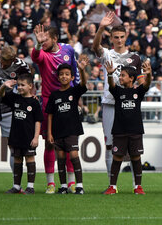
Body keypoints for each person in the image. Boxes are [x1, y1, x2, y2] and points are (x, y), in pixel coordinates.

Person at [93, 12, 143, 179]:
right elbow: (95, 47)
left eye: (122, 37)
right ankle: (111, 183)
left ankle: (137, 184)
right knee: (109, 144)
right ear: (111, 38)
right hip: (110, 103)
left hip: (128, 106)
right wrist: (100, 28)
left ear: (126, 36)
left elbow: (141, 82)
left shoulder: (135, 58)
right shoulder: (107, 54)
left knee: (131, 146)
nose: (119, 40)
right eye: (116, 37)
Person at [32, 24, 80, 194]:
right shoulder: (43, 53)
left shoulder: (68, 50)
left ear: (54, 39)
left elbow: (75, 73)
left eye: (45, 40)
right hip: (49, 102)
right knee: (50, 143)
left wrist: (77, 98)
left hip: (68, 100)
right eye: (40, 40)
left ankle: (72, 182)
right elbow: (35, 57)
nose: (42, 42)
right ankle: (51, 183)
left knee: (69, 144)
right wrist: (37, 45)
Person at [102, 59, 153, 195]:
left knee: (136, 158)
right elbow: (112, 86)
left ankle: (138, 187)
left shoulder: (138, 92)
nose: (120, 77)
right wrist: (110, 75)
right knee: (117, 158)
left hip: (135, 131)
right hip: (119, 131)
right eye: (120, 75)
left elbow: (147, 85)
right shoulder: (118, 91)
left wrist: (148, 74)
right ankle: (112, 186)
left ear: (131, 78)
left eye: (123, 75)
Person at [45, 57, 89, 195]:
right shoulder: (54, 95)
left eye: (67, 74)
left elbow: (83, 84)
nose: (64, 76)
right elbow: (50, 115)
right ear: (58, 77)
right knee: (61, 158)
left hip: (72, 130)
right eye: (61, 74)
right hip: (58, 132)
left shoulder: (74, 92)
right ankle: (63, 186)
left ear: (71, 77)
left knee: (74, 156)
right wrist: (50, 133)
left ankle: (79, 186)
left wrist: (81, 70)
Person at [0, 74, 43, 195]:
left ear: (30, 86)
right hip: (15, 136)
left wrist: (36, 137)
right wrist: (4, 86)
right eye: (18, 85)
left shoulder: (34, 102)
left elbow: (38, 121)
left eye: (22, 85)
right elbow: (1, 95)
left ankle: (30, 187)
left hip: (29, 137)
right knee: (17, 159)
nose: (19, 87)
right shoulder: (15, 98)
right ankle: (16, 186)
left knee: (30, 158)